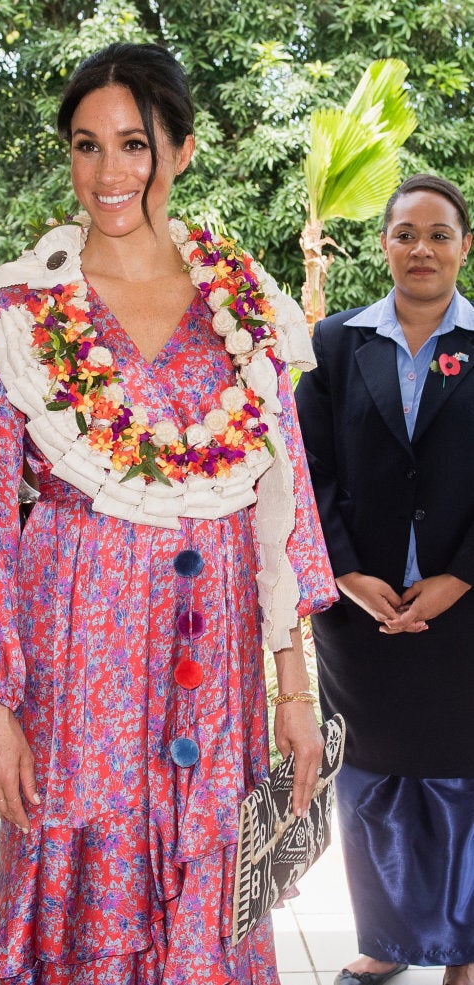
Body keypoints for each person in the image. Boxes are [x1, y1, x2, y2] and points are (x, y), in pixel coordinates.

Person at [0, 42, 337, 984]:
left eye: (133, 144)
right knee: (90, 891)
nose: (108, 173)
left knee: (206, 889)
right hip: (81, 655)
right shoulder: (16, 312)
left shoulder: (246, 307)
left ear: (183, 150)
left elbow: (284, 505)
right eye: (86, 146)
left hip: (214, 664)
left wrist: (295, 690)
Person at [295, 174, 474, 985]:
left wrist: (459, 577)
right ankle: (388, 938)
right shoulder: (332, 347)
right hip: (361, 612)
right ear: (384, 246)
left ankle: (464, 948)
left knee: (461, 782)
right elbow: (307, 469)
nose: (422, 249)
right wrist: (348, 570)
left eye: (439, 233)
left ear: (464, 246)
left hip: (465, 611)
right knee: (372, 781)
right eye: (406, 233)